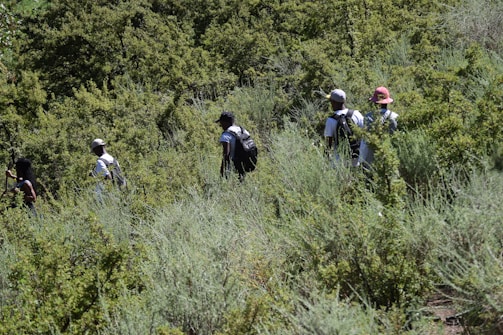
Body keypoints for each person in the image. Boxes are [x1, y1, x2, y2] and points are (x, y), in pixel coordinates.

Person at [359, 86, 399, 167]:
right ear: (387, 102)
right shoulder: (395, 117)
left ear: (374, 102)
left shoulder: (368, 117)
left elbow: (364, 143)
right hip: (391, 160)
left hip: (370, 162)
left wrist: (361, 160)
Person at [324, 89, 365, 167]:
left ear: (333, 102)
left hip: (339, 161)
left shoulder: (331, 120)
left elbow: (328, 143)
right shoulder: (356, 114)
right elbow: (364, 135)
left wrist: (326, 159)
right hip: (357, 160)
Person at [215, 111, 250, 182]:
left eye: (221, 122)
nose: (220, 125)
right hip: (245, 162)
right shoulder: (243, 130)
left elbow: (226, 154)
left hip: (234, 165)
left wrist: (222, 172)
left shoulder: (226, 135)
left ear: (225, 122)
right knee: (240, 183)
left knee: (231, 185)